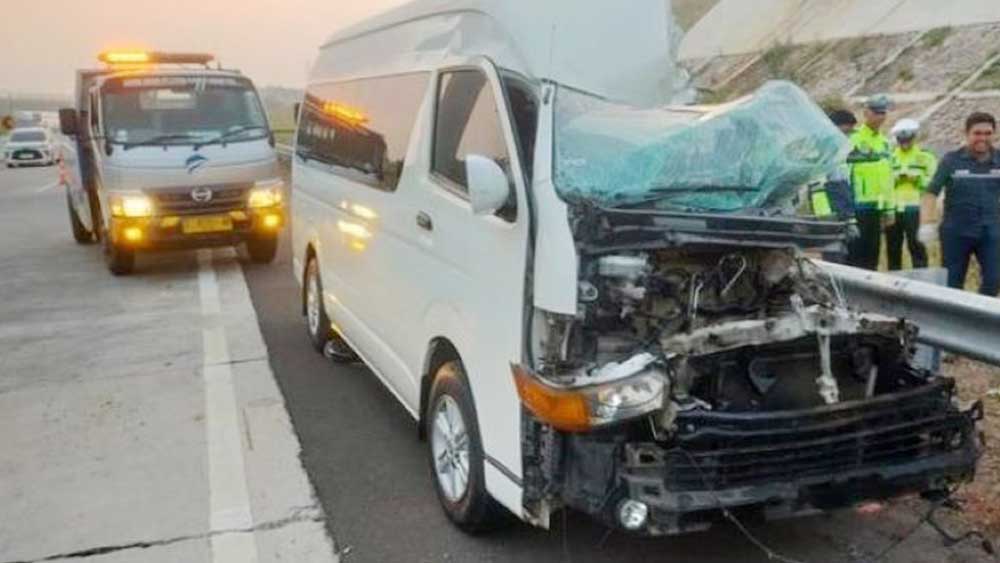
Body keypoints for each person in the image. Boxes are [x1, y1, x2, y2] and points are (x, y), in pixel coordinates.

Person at [919, 112, 1000, 296]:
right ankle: (953, 321)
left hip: (991, 232)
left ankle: (979, 319)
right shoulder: (951, 160)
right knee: (952, 283)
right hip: (956, 232)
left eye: (988, 133)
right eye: (977, 133)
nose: (983, 138)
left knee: (994, 279)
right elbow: (930, 193)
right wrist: (927, 223)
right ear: (966, 133)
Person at [847, 96, 896, 270]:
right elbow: (844, 175)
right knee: (855, 258)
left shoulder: (884, 142)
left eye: (883, 113)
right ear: (866, 113)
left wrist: (890, 209)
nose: (881, 117)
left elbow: (888, 177)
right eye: (877, 112)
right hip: (857, 208)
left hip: (877, 208)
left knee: (872, 258)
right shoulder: (854, 139)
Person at [887, 118, 936, 270]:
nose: (904, 143)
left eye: (907, 140)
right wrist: (895, 179)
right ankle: (892, 283)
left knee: (916, 247)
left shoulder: (925, 157)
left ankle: (921, 282)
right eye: (901, 140)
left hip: (915, 209)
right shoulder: (890, 157)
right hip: (893, 209)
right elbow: (882, 180)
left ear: (914, 138)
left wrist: (917, 179)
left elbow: (934, 183)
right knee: (893, 248)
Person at [809, 109, 859, 262]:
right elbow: (832, 188)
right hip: (830, 212)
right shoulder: (827, 150)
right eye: (846, 131)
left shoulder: (833, 149)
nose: (847, 136)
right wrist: (845, 217)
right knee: (835, 256)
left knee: (840, 254)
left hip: (833, 211)